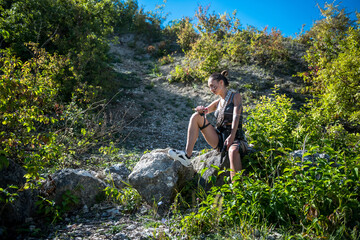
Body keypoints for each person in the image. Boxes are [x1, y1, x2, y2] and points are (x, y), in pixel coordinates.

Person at [168, 70, 248, 180]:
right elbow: (205, 111)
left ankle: (237, 188)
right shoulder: (218, 102)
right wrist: (201, 110)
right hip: (219, 138)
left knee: (233, 150)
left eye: (213, 86)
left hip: (235, 138)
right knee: (196, 116)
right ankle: (187, 155)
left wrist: (232, 136)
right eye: (209, 87)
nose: (211, 89)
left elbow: (236, 116)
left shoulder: (235, 96)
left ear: (221, 82)